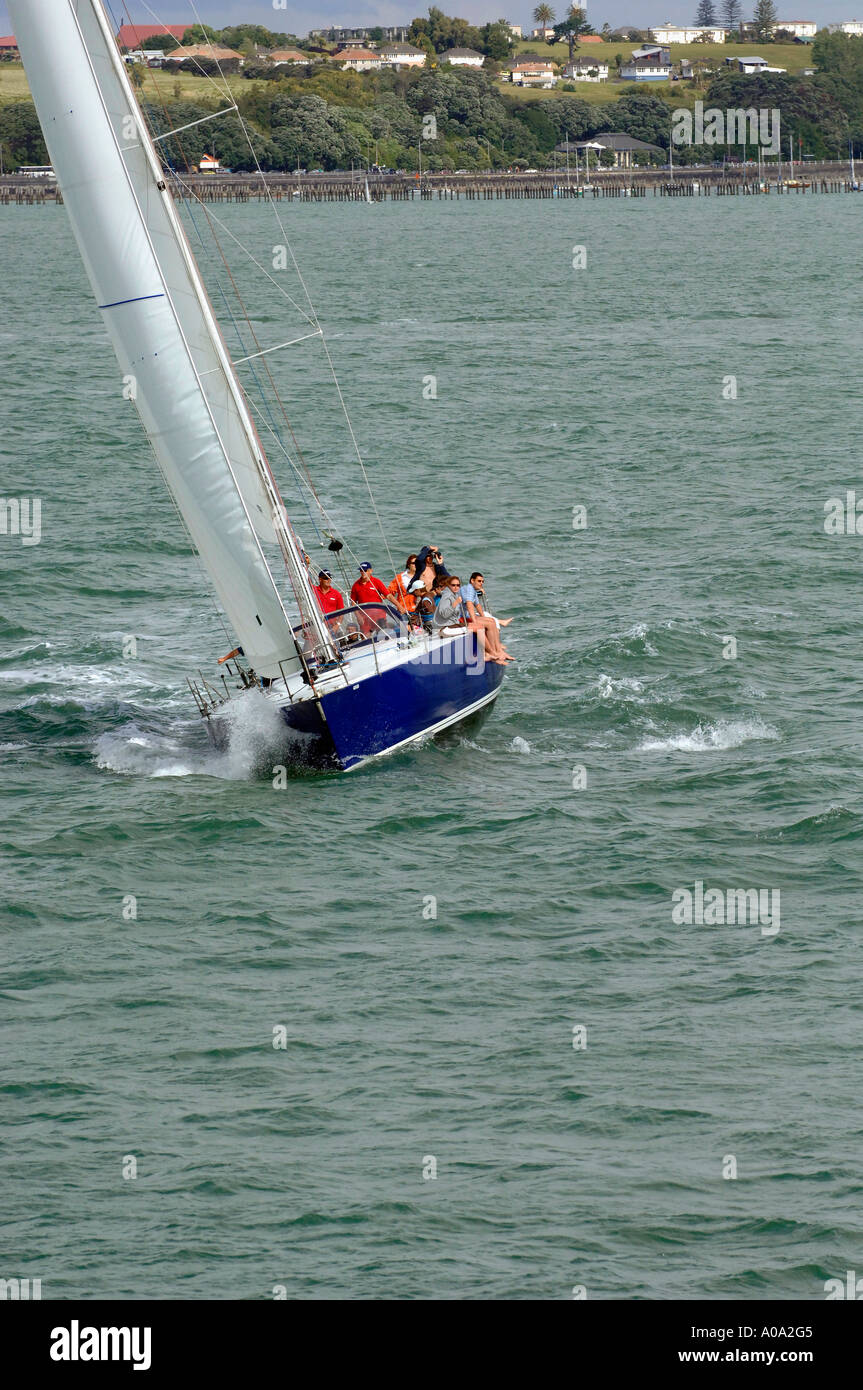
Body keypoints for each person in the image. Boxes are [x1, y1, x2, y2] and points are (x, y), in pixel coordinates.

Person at [461, 570, 513, 661]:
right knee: (489, 623)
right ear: (472, 581)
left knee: (491, 621)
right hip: (461, 618)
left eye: (482, 581)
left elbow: (478, 606)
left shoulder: (473, 590)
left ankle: (498, 651)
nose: (481, 583)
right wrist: (475, 621)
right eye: (479, 581)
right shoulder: (469, 589)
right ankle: (493, 652)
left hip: (467, 616)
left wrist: (484, 618)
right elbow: (469, 605)